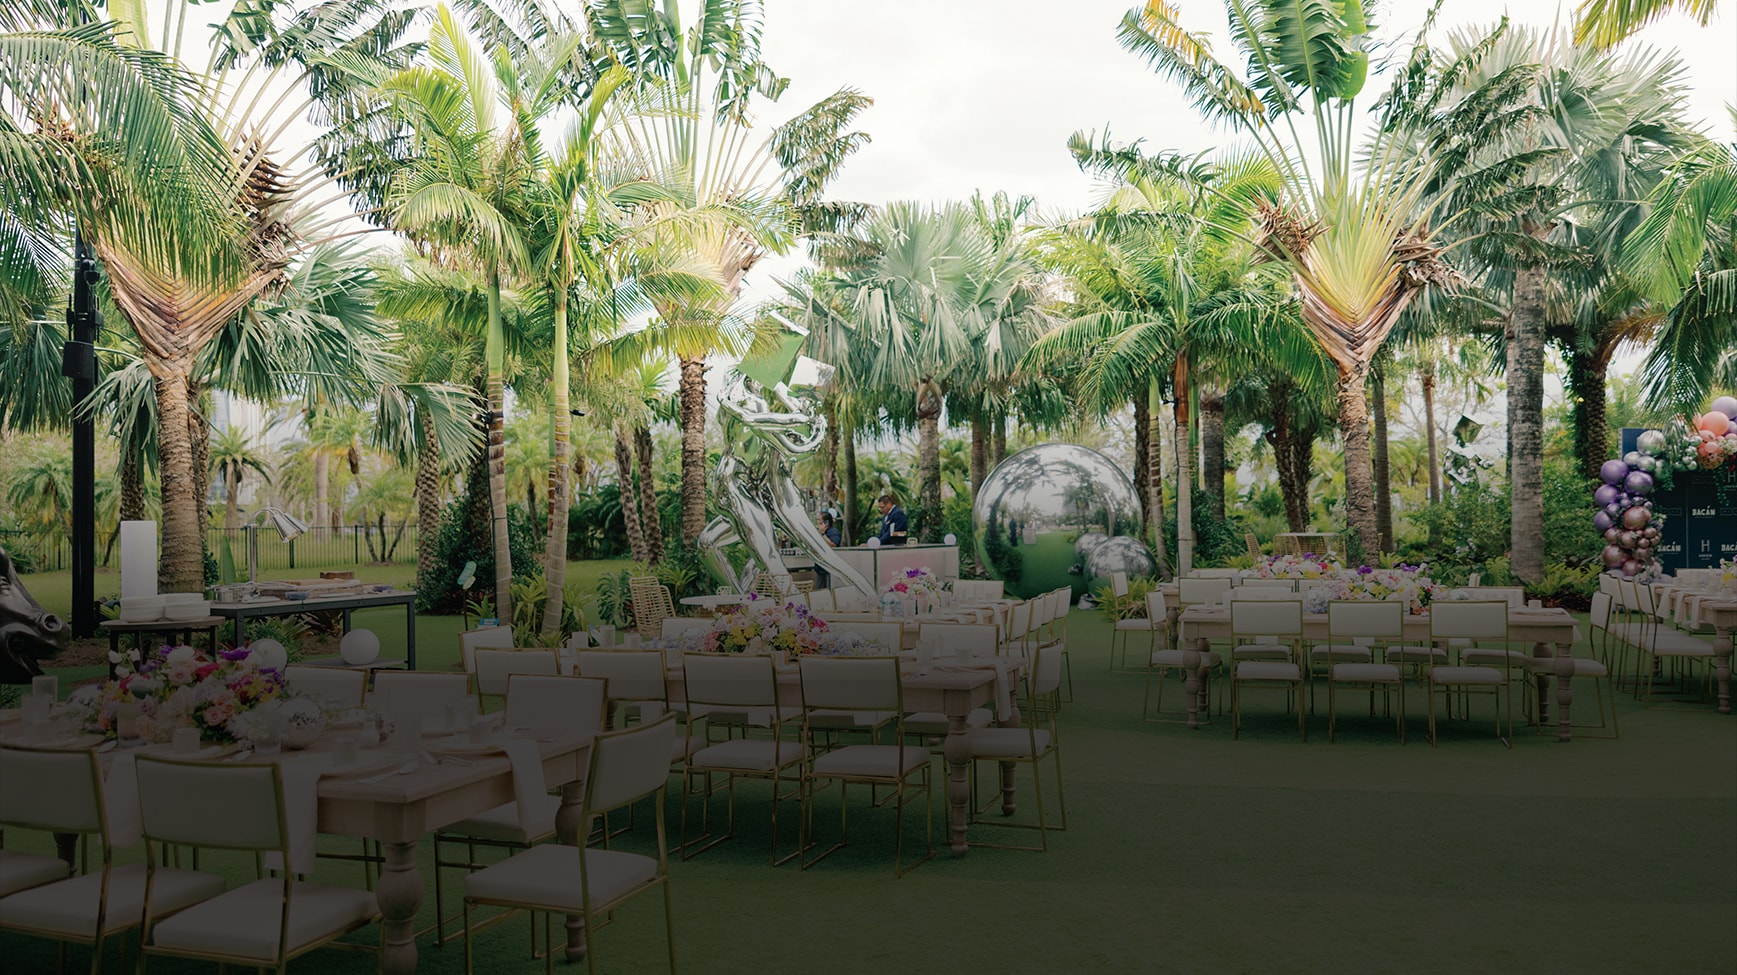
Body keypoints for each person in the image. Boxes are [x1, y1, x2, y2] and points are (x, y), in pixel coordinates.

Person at [814, 511, 842, 589]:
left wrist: (823, 534)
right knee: (819, 591)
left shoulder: (833, 532)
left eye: (819, 520)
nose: (818, 522)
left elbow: (833, 545)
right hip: (821, 566)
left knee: (830, 589)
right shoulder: (819, 533)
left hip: (830, 566)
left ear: (826, 522)